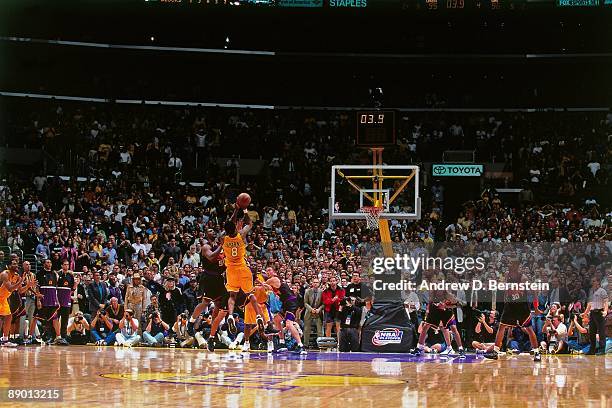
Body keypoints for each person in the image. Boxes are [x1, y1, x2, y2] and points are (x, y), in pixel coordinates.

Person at [222, 207, 265, 337]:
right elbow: (250, 224)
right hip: (242, 268)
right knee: (250, 294)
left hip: (231, 270)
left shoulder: (223, 238)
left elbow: (229, 224)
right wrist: (244, 211)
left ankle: (230, 315)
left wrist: (235, 211)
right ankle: (258, 316)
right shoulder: (241, 235)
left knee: (232, 296)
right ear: (235, 228)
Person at [486, 261, 541, 362]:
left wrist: (536, 307)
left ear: (517, 266)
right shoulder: (507, 275)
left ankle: (537, 352)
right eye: (510, 265)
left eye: (514, 265)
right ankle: (495, 352)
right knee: (502, 327)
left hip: (521, 307)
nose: (512, 267)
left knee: (529, 329)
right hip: (510, 306)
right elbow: (506, 288)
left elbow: (534, 291)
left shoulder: (523, 278)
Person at [267, 273, 306, 354]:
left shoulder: (276, 280)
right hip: (286, 304)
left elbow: (265, 283)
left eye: (270, 270)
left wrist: (255, 279)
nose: (268, 272)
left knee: (288, 324)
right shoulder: (274, 287)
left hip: (291, 303)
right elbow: (266, 287)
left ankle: (300, 345)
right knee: (276, 320)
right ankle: (282, 343)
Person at [35, 259, 66, 345]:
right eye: (47, 262)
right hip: (43, 300)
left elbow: (55, 288)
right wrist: (38, 300)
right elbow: (37, 288)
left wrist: (57, 300)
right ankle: (38, 337)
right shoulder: (39, 273)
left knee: (55, 318)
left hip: (52, 300)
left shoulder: (54, 274)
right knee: (42, 319)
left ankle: (58, 337)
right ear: (44, 264)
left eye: (50, 262)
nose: (49, 264)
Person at [0, 259, 24, 346]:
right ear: (8, 266)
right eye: (14, 264)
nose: (16, 265)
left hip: (3, 299)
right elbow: (10, 288)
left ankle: (5, 340)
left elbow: (20, 291)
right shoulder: (4, 274)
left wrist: (28, 285)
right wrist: (20, 282)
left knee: (9, 316)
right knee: (1, 318)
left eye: (17, 264)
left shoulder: (16, 276)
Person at [585, 277, 608, 355]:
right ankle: (592, 350)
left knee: (601, 332)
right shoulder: (591, 291)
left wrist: (605, 311)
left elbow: (606, 302)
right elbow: (590, 304)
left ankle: (602, 350)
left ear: (598, 282)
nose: (592, 282)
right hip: (592, 313)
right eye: (592, 281)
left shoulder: (602, 291)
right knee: (592, 332)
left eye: (594, 281)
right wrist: (585, 313)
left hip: (599, 312)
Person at [322, 275, 345, 345]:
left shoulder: (341, 290)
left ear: (337, 281)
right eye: (331, 281)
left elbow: (342, 300)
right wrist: (333, 300)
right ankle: (329, 343)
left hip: (338, 311)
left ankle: (339, 343)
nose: (332, 282)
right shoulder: (325, 291)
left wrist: (335, 300)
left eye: (334, 281)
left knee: (338, 327)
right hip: (329, 310)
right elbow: (325, 302)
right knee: (328, 327)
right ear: (329, 282)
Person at [56, 260, 75, 340]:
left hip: (66, 301)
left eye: (67, 265)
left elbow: (72, 289)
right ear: (61, 265)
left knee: (65, 320)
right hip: (58, 301)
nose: (66, 266)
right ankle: (55, 336)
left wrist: (75, 285)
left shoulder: (70, 276)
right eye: (65, 265)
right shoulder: (57, 274)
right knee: (55, 319)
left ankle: (63, 336)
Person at [303, 278, 323, 348]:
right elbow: (305, 303)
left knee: (320, 330)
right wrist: (311, 309)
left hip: (318, 312)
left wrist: (319, 309)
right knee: (306, 329)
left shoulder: (322, 292)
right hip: (309, 311)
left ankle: (320, 344)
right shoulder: (307, 291)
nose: (315, 284)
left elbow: (323, 304)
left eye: (317, 282)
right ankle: (305, 344)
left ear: (319, 283)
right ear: (312, 283)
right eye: (314, 282)